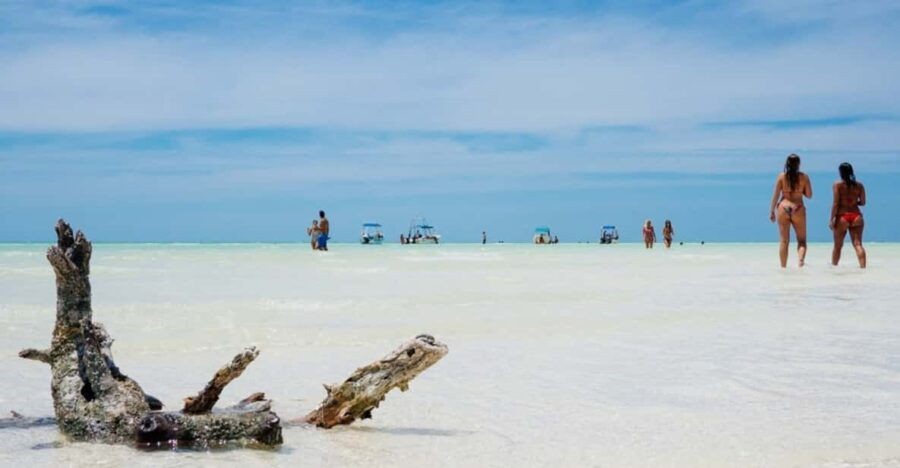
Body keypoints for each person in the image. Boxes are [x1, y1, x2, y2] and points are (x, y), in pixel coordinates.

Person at [769, 153, 812, 268]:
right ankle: (801, 261)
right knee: (802, 241)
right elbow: (809, 195)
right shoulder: (804, 177)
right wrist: (800, 191)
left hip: (783, 207)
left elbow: (776, 195)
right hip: (798, 208)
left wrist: (772, 211)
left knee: (784, 241)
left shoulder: (782, 176)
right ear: (799, 164)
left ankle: (783, 268)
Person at [830, 162, 866, 268]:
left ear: (841, 173)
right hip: (856, 216)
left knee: (838, 246)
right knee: (858, 244)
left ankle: (834, 268)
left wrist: (832, 218)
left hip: (842, 216)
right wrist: (854, 202)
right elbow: (863, 202)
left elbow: (836, 203)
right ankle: (863, 268)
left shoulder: (837, 185)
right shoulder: (859, 185)